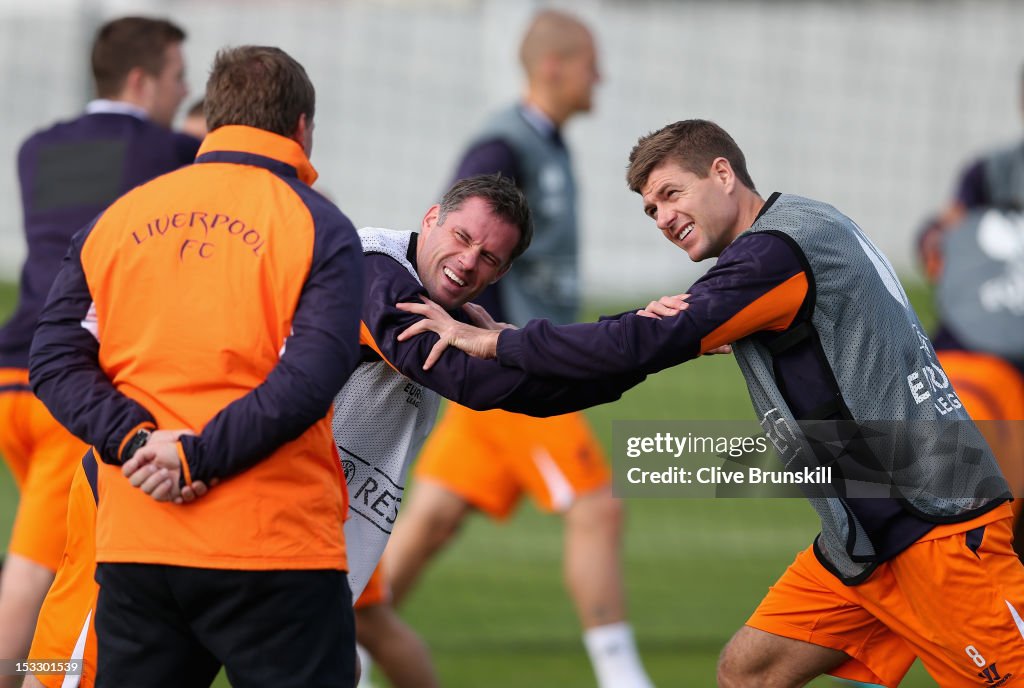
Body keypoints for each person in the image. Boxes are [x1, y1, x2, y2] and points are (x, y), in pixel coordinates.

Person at [399, 119, 1024, 687]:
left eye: (672, 194)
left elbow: (643, 343)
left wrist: (500, 341)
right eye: (650, 210)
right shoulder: (800, 229)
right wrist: (687, 327)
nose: (664, 217)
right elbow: (657, 338)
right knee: (747, 672)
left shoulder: (776, 253)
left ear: (723, 174)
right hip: (865, 538)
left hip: (939, 530)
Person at [24, 173, 642, 688]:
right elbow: (481, 383)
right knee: (67, 673)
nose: (467, 262)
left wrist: (635, 348)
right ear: (431, 219)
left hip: (266, 521)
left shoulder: (447, 312)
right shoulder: (375, 272)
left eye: (489, 258)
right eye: (461, 238)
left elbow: (521, 389)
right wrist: (644, 339)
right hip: (157, 492)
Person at [28, 45, 365, 688]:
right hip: (273, 547)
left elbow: (56, 357)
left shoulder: (118, 217)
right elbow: (310, 380)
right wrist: (196, 456)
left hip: (138, 541)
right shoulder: (319, 226)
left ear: (212, 122)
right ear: (301, 129)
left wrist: (135, 440)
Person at [386, 12, 655, 688]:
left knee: (430, 526)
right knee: (596, 508)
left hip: (504, 364)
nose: (602, 76)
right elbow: (453, 247)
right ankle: (625, 678)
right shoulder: (501, 148)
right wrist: (488, 345)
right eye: (592, 62)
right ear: (554, 67)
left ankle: (344, 645)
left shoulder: (548, 143)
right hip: (511, 367)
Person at [0, 17, 196, 686]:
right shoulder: (168, 154)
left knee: (56, 560)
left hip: (12, 380)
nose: (185, 90)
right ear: (141, 79)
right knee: (32, 575)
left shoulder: (37, 149)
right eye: (177, 77)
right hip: (71, 391)